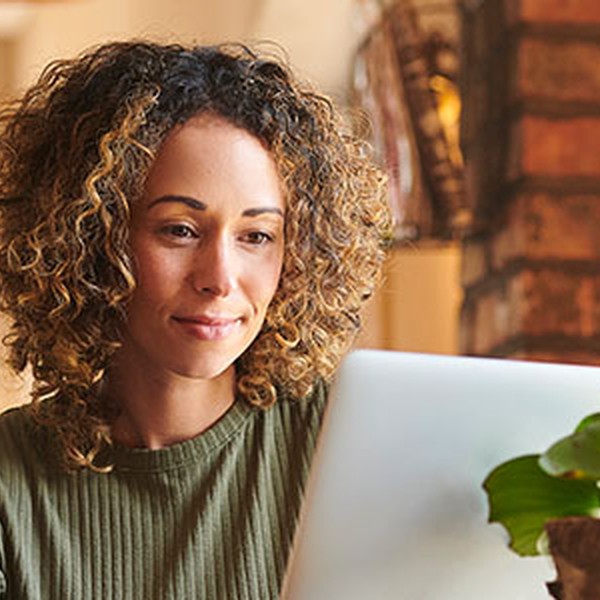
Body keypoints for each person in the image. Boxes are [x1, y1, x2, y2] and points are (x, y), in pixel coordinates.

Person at [0, 41, 390, 599]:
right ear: (91, 241)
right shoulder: (10, 484)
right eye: (179, 230)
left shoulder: (345, 443)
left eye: (256, 236)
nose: (220, 278)